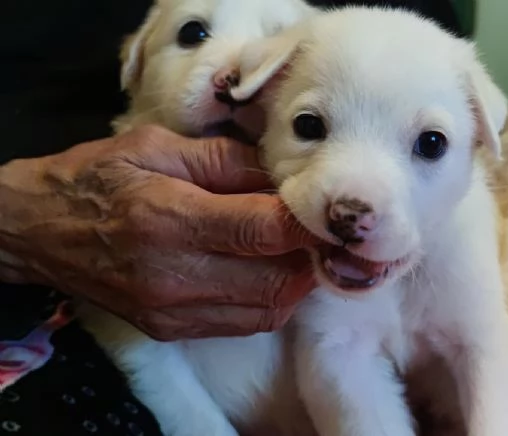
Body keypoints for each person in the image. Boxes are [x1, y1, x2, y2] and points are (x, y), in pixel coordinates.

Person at [0, 0, 462, 434]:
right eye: (194, 32)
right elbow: (139, 350)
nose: (235, 72)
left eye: (279, 41)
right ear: (134, 65)